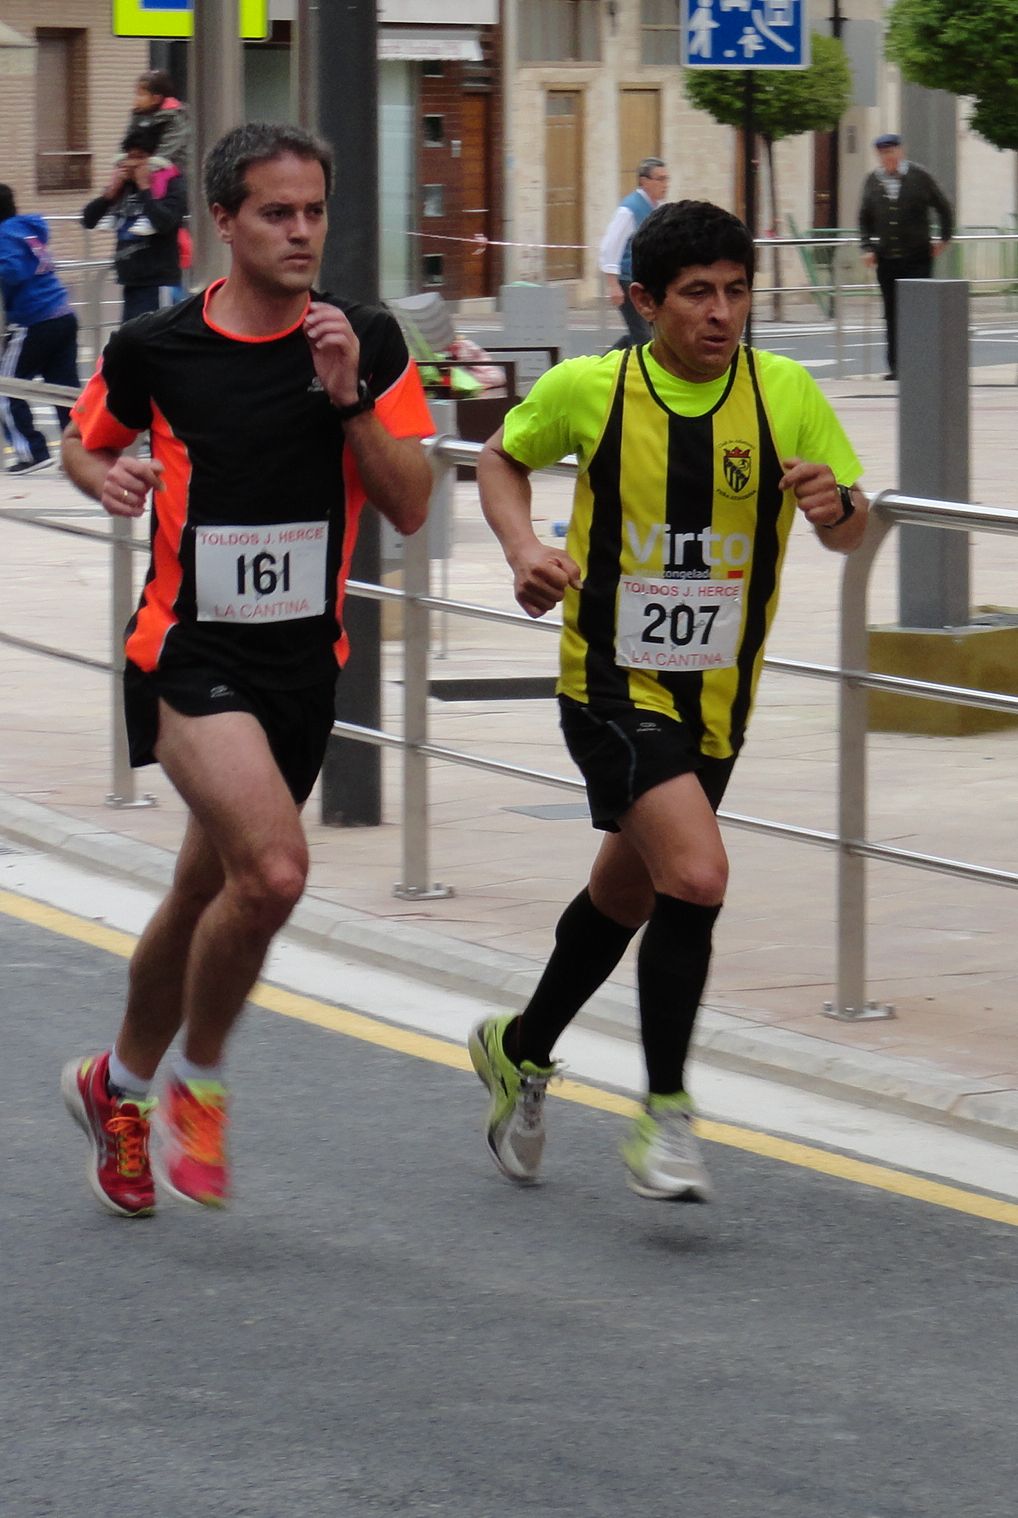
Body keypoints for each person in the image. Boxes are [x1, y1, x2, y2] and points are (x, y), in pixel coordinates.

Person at [60, 122, 433, 1218]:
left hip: (301, 668)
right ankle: (200, 1080)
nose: (301, 232)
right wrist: (101, 478)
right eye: (277, 212)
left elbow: (412, 503)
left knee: (202, 890)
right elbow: (87, 437)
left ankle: (117, 1086)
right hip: (187, 652)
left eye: (314, 211)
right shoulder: (159, 347)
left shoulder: (366, 337)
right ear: (222, 220)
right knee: (271, 875)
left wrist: (347, 394)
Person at [471, 199, 869, 1203]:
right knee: (696, 873)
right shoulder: (590, 389)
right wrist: (523, 549)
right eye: (697, 294)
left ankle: (519, 1049)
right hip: (609, 683)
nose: (721, 313)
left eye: (736, 292)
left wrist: (838, 508)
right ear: (644, 301)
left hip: (719, 702)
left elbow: (847, 524)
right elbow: (499, 456)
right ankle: (665, 1115)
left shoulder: (784, 393)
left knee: (629, 894)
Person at [859, 132, 953, 380]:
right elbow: (864, 218)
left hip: (917, 257)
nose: (887, 157)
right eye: (882, 153)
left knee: (918, 312)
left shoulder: (920, 176)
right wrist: (867, 247)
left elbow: (943, 207)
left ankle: (920, 364)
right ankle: (896, 367)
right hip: (887, 259)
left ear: (901, 151)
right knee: (891, 313)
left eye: (891, 152)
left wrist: (944, 238)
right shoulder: (873, 180)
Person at [0, 185, 79, 474]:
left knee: (6, 387)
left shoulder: (4, 234)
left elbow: (11, 271)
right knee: (64, 391)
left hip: (33, 321)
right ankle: (79, 453)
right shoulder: (26, 229)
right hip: (62, 314)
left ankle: (32, 452)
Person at [81, 124, 187, 322]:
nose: (133, 164)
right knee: (131, 338)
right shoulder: (123, 186)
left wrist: (145, 188)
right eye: (129, 157)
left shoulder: (172, 183)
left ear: (153, 159)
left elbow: (166, 222)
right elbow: (88, 220)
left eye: (140, 157)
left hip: (159, 282)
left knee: (156, 337)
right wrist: (109, 195)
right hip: (130, 281)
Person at [598, 157, 669, 348]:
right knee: (643, 336)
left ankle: (605, 361)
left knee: (640, 334)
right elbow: (610, 245)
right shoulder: (629, 210)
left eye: (666, 179)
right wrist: (613, 284)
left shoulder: (657, 208)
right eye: (660, 179)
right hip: (628, 280)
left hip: (644, 281)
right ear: (644, 181)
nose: (665, 184)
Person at [125, 67, 190, 169]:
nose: (136, 99)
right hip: (141, 169)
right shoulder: (139, 116)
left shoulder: (174, 118)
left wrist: (138, 165)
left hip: (171, 172)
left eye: (141, 95)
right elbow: (126, 147)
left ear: (156, 99)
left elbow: (164, 156)